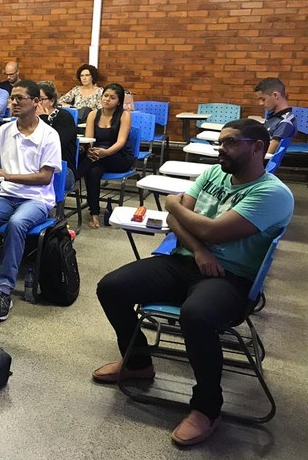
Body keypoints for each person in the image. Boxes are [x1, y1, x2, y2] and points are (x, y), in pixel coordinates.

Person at [94, 119, 293, 447]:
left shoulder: (273, 193)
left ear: (258, 148)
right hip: (186, 261)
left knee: (196, 315)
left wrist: (175, 204)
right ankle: (138, 362)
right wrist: (198, 248)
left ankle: (206, 408)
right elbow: (176, 221)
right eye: (220, 142)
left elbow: (210, 229)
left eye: (230, 142)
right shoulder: (214, 173)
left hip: (230, 277)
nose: (221, 149)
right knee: (111, 287)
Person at [0, 80, 62, 320]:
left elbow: (45, 177)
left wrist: (6, 175)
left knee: (17, 224)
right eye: (12, 98)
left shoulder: (49, 135)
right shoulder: (5, 130)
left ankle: (4, 289)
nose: (13, 102)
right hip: (7, 195)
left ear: (35, 102)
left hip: (37, 200)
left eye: (19, 98)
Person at [78, 83, 133, 229]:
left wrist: (106, 153)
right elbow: (89, 140)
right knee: (93, 172)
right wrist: (90, 150)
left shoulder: (124, 115)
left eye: (112, 97)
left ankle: (74, 176)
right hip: (98, 157)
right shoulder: (93, 114)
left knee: (88, 163)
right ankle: (94, 213)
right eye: (105, 96)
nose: (107, 99)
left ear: (119, 101)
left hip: (119, 156)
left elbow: (121, 142)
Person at [38, 81, 77, 192]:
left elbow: (55, 146)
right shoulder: (30, 118)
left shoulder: (64, 117)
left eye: (40, 99)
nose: (36, 103)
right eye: (33, 99)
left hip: (62, 167)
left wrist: (43, 118)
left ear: (52, 100)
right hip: (35, 166)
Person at [253, 77, 296, 154]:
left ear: (275, 95)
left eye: (263, 99)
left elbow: (268, 154)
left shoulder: (285, 121)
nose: (260, 103)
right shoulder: (272, 115)